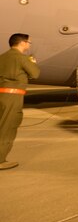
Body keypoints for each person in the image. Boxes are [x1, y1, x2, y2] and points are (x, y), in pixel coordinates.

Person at [0, 33, 40, 170]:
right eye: (29, 42)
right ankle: (0, 160)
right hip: (13, 98)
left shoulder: (3, 56)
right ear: (22, 42)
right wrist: (32, 62)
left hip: (1, 96)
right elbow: (35, 74)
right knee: (7, 128)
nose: (29, 45)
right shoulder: (22, 58)